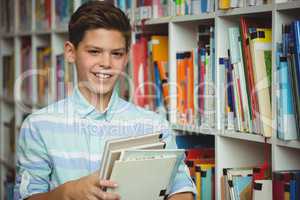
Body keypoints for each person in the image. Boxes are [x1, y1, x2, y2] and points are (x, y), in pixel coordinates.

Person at [14, 1, 196, 200]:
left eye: (116, 54)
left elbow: (181, 189)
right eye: (94, 52)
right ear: (70, 52)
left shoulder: (154, 125)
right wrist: (68, 193)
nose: (106, 63)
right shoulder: (38, 126)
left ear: (126, 57)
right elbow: (27, 197)